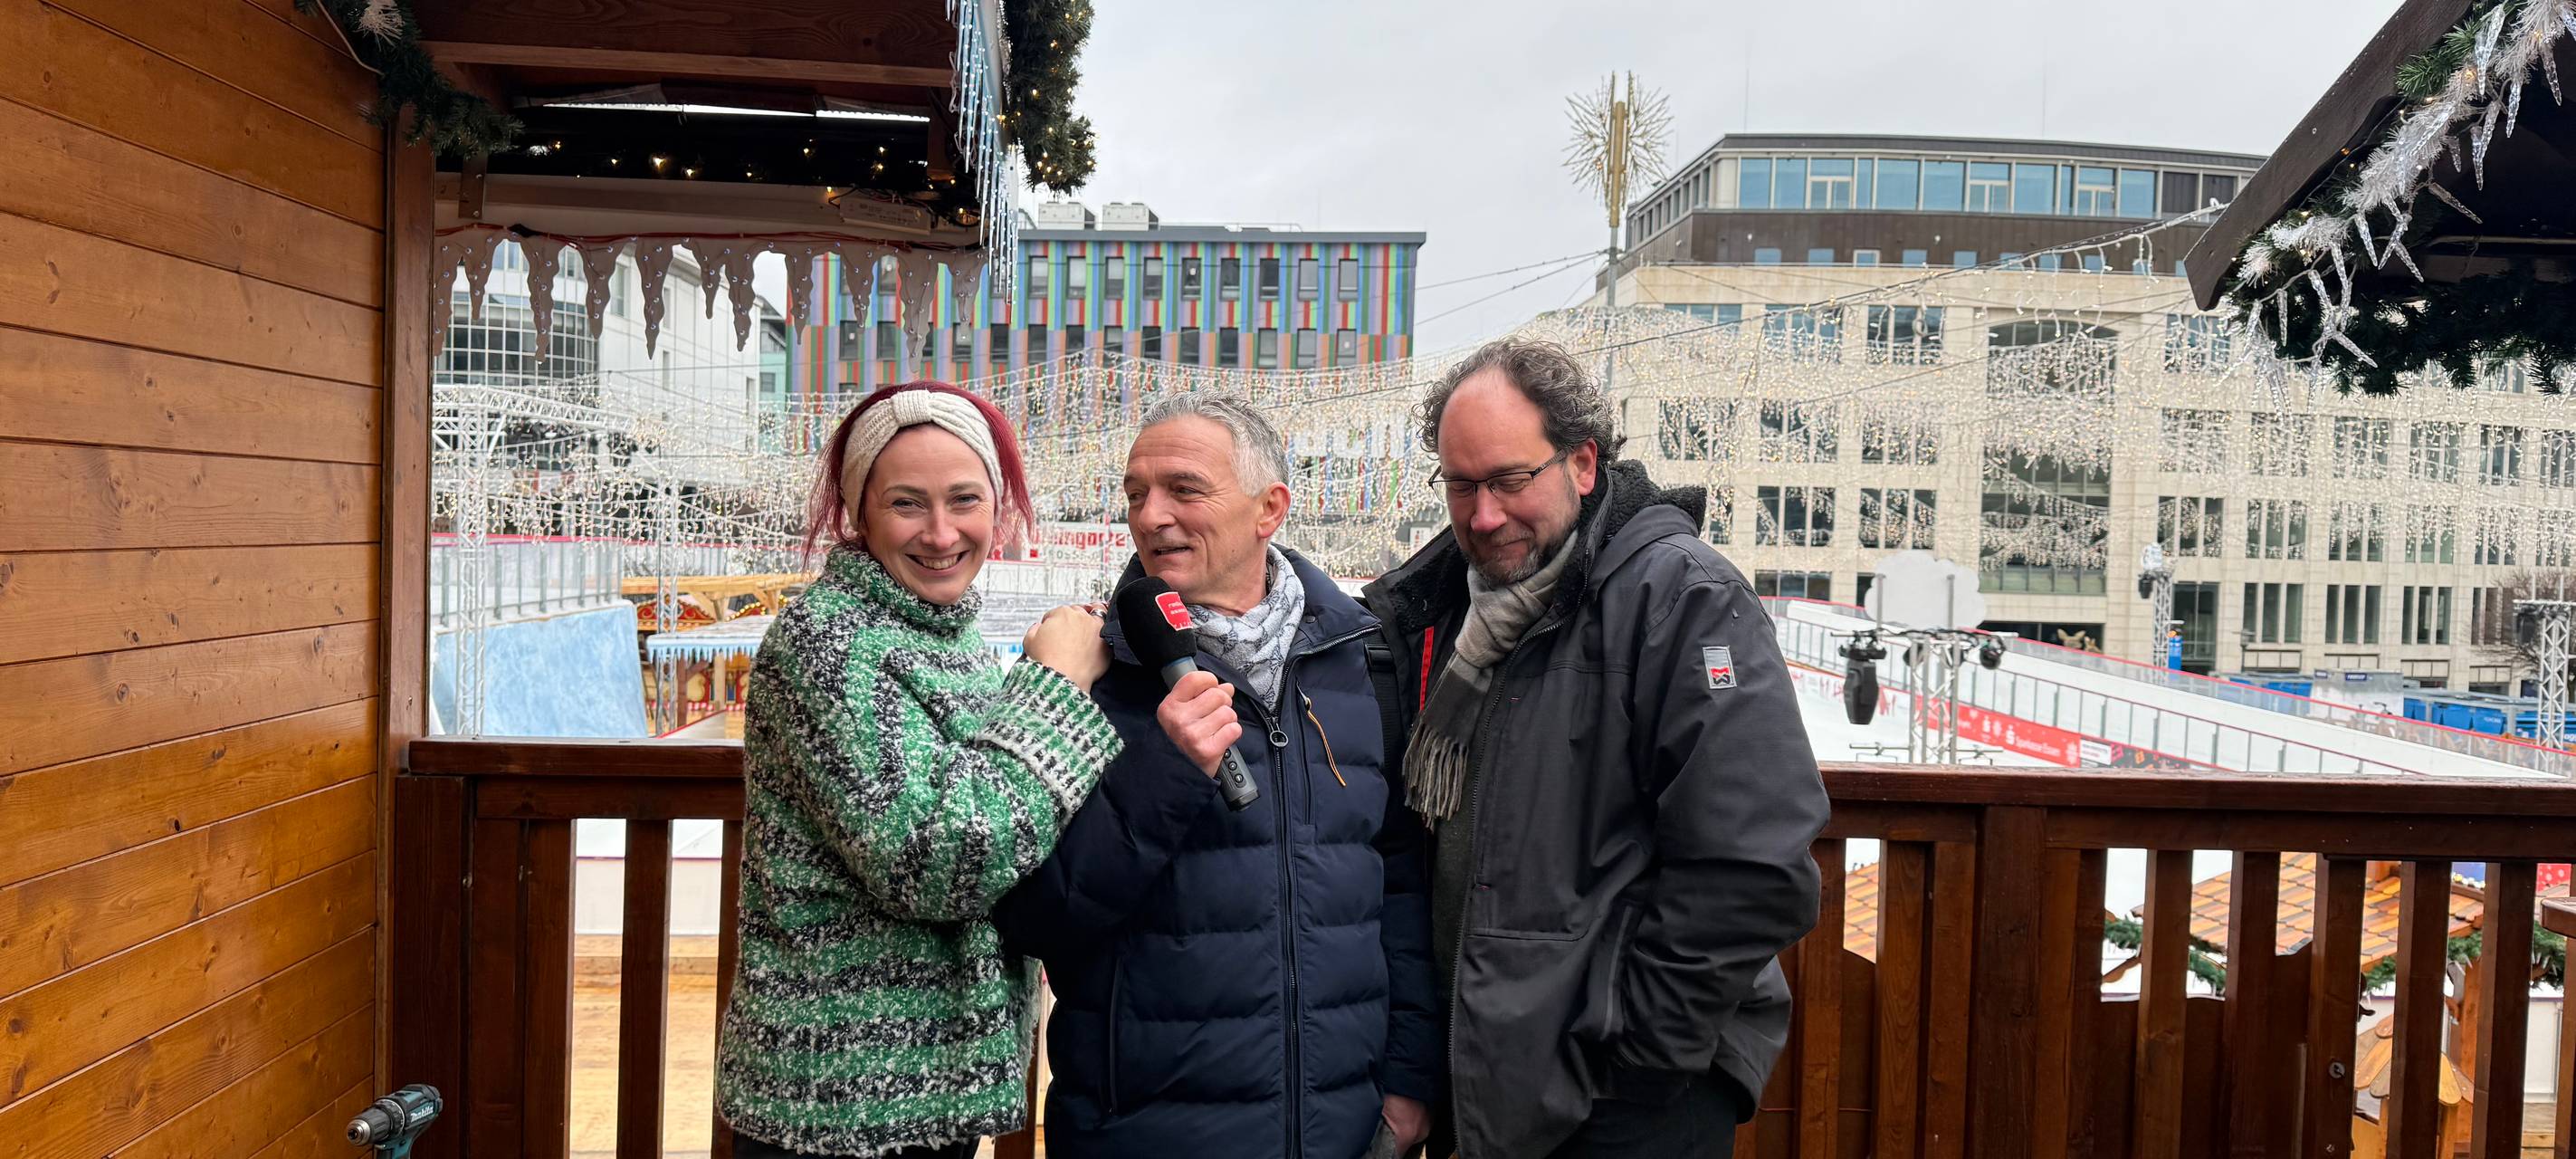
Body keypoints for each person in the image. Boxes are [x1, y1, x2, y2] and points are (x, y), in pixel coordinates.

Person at [1360, 339, 1829, 1159]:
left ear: (1582, 463)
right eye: (1461, 485)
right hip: (1490, 1068)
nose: (1483, 515)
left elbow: (1752, 868)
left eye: (1509, 480)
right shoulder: (1431, 610)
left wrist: (1637, 1060)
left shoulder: (1682, 598)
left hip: (1623, 1094)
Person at [994, 395, 1440, 1158]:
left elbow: (1396, 885)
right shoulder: (1083, 671)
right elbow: (1035, 915)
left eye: (1183, 490)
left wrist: (1404, 1083)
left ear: (1270, 510)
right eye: (1135, 493)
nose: (1151, 516)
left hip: (1343, 1130)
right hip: (1145, 1132)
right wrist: (1168, 772)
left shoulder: (1362, 659)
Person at [717, 381, 1141, 1159]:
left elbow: (998, 803)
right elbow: (934, 859)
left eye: (965, 500)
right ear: (859, 513)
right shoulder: (828, 645)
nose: (942, 533)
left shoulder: (941, 634)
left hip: (920, 1084)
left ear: (998, 508)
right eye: (908, 503)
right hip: (840, 1098)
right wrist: (1056, 687)